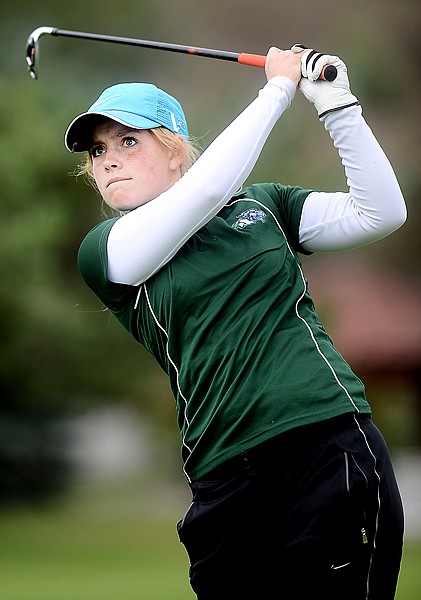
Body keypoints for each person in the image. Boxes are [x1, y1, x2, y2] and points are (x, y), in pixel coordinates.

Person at [65, 46, 406, 599]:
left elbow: (381, 212)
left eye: (129, 141)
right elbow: (207, 190)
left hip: (326, 445)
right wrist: (276, 89)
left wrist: (336, 105)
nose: (107, 159)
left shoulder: (264, 207)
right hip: (225, 478)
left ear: (177, 150)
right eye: (98, 150)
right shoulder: (108, 250)